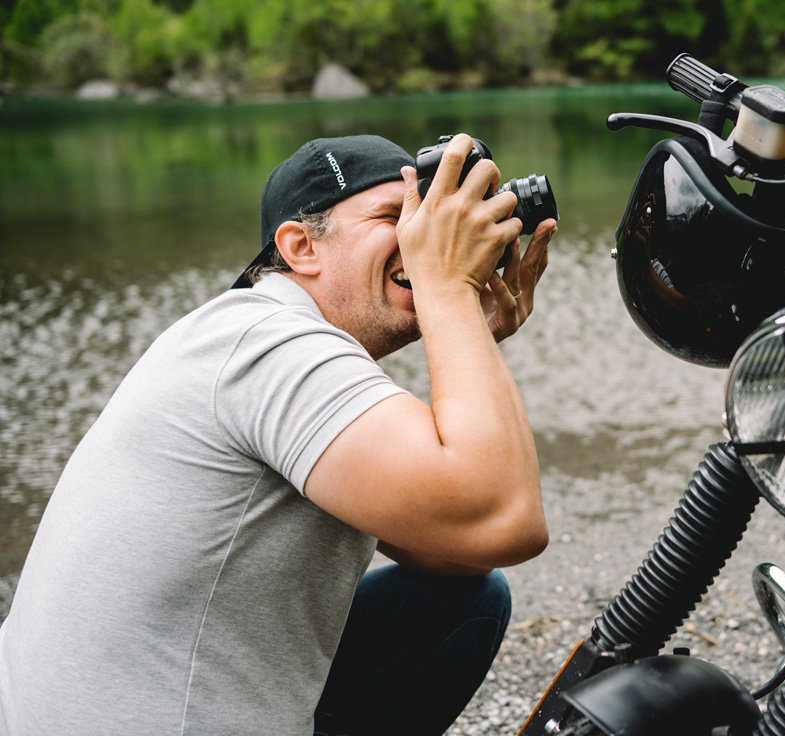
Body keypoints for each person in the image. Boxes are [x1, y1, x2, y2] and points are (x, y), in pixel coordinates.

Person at [0, 132, 557, 735]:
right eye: (395, 216)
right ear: (301, 247)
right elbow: (505, 519)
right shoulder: (264, 343)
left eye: (426, 221)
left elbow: (453, 549)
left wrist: (467, 327)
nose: (423, 241)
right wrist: (448, 288)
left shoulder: (247, 338)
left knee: (461, 603)